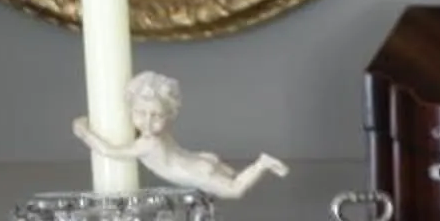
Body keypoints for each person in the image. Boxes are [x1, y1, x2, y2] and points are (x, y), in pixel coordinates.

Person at [73, 71, 288, 198]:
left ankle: (262, 164)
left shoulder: (147, 143)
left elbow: (109, 150)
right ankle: (258, 165)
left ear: (168, 116)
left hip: (194, 173)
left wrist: (83, 131)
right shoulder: (160, 134)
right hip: (198, 160)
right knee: (233, 177)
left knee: (234, 190)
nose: (147, 121)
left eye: (156, 116)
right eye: (140, 113)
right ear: (131, 111)